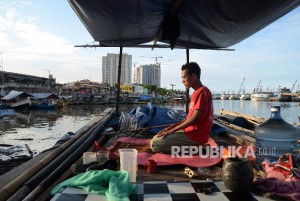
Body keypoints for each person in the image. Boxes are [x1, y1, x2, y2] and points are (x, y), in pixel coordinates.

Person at [150, 62, 213, 154]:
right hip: (190, 132)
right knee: (157, 136)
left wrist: (172, 131)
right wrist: (170, 128)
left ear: (193, 76)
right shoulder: (197, 93)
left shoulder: (202, 92)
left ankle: (197, 147)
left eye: (184, 77)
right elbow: (189, 119)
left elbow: (195, 119)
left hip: (196, 136)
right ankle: (196, 146)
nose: (182, 81)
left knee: (155, 144)